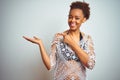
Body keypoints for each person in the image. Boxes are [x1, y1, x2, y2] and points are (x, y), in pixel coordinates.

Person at [23, 1, 95, 80]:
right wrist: (40, 44)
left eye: (77, 18)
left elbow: (90, 64)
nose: (72, 20)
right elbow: (49, 66)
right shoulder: (58, 37)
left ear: (84, 19)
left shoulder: (87, 39)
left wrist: (72, 43)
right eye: (70, 17)